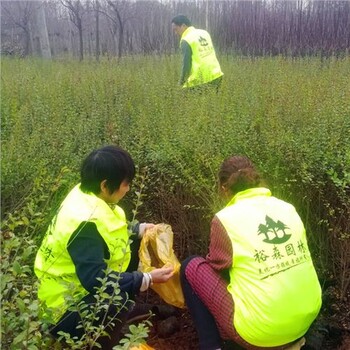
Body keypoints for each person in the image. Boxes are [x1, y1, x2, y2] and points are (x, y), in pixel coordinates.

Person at [34, 145, 174, 349]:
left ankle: (126, 308)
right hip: (62, 309)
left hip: (74, 289)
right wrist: (146, 279)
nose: (128, 189)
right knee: (110, 301)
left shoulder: (83, 194)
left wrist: (137, 230)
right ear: (105, 185)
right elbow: (96, 282)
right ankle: (102, 341)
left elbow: (107, 231)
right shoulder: (84, 226)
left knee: (130, 247)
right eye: (126, 184)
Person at [180, 155, 322, 350]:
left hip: (261, 333)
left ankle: (212, 346)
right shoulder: (287, 208)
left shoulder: (225, 219)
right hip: (306, 319)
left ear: (224, 188)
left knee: (191, 266)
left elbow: (218, 267)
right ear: (256, 180)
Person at [171, 14, 223, 92]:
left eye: (176, 29)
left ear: (183, 26)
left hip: (201, 79)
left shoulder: (186, 40)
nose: (175, 33)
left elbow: (186, 65)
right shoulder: (204, 33)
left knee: (184, 99)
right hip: (217, 75)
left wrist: (180, 83)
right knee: (211, 102)